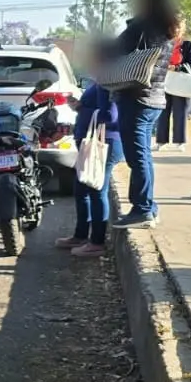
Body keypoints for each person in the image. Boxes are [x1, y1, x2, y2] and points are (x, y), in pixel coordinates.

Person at [111, 0, 182, 229]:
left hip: (136, 97)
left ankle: (142, 208)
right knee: (143, 155)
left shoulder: (142, 26)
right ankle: (148, 207)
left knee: (137, 156)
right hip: (153, 98)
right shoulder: (166, 26)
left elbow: (115, 51)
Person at [57, 71, 125, 256]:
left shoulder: (107, 80)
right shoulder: (100, 80)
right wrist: (80, 107)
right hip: (96, 142)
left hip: (104, 142)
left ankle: (97, 242)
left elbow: (110, 115)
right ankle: (80, 236)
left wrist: (82, 109)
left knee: (96, 190)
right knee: (81, 189)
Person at [155, 35, 191, 150]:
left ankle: (180, 142)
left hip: (181, 83)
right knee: (163, 111)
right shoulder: (163, 44)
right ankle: (161, 141)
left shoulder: (188, 45)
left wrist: (176, 67)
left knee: (180, 112)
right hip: (163, 81)